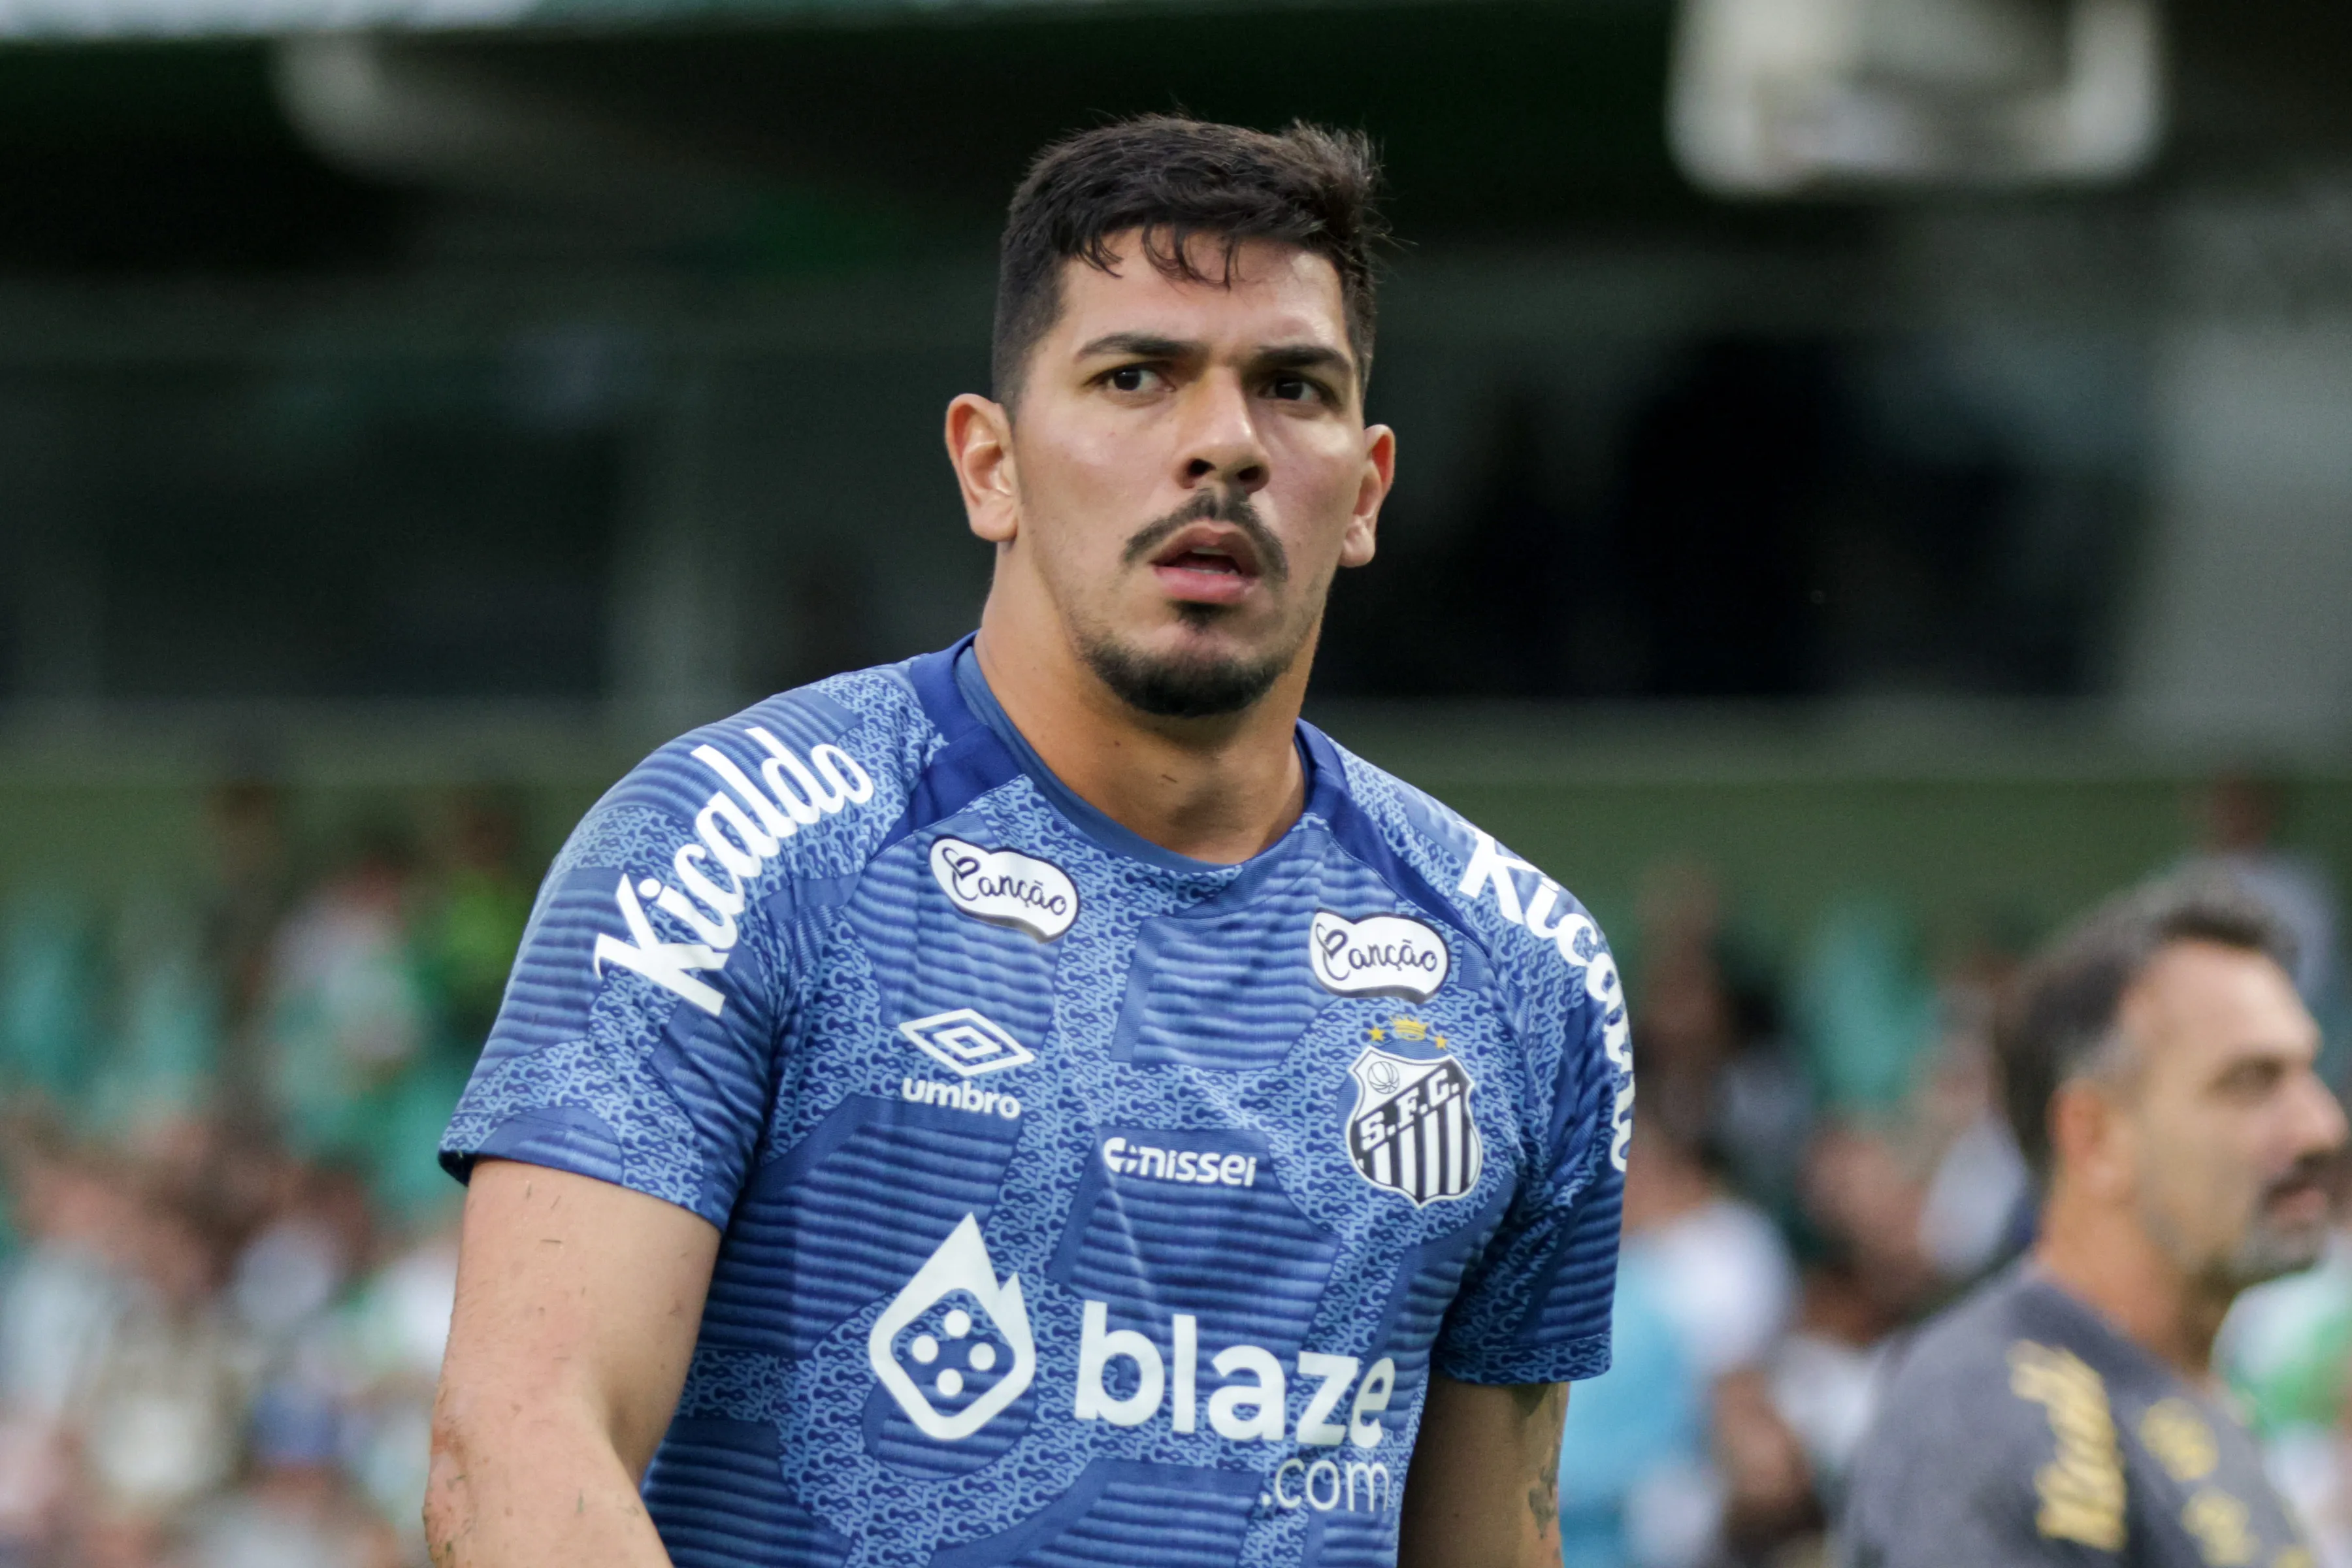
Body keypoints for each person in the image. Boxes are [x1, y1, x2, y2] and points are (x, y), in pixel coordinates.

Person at [425, 117, 1632, 1568]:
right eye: (1138, 377)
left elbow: (1494, 1536)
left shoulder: (1526, 974)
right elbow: (515, 1447)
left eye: (1291, 388)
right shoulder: (738, 850)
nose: (1224, 445)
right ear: (988, 465)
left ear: (1366, 490)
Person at [1839, 877, 2346, 1567]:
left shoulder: (2186, 1397)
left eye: (2307, 1072)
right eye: (2251, 1082)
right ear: (2096, 1137)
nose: (2321, 1126)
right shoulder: (1995, 1412)